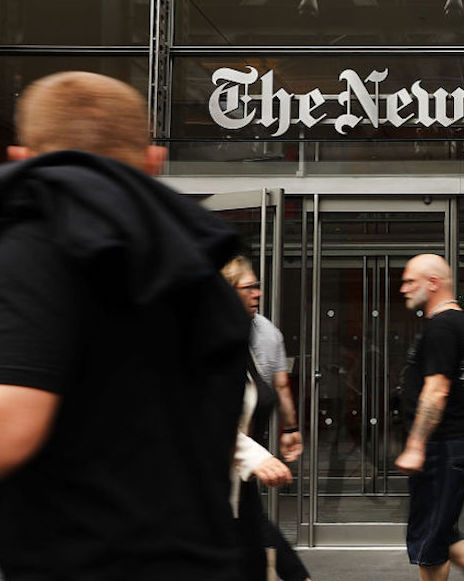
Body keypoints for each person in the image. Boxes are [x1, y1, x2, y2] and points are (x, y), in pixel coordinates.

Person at [0, 72, 248, 579]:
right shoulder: (207, 278)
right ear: (154, 161)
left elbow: (11, 425)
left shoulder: (37, 248)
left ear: (21, 157)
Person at [396, 254, 464, 581]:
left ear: (433, 283)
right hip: (448, 444)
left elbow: (436, 390)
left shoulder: (443, 326)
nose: (403, 288)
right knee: (441, 529)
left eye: (410, 281)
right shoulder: (454, 322)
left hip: (441, 446)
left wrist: (416, 445)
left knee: (431, 541)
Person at [222, 256, 309, 581]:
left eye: (257, 286)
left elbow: (278, 386)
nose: (257, 293)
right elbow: (203, 416)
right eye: (248, 287)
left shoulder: (256, 335)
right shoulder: (206, 343)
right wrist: (255, 456)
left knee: (256, 550)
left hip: (239, 477)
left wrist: (290, 428)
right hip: (210, 482)